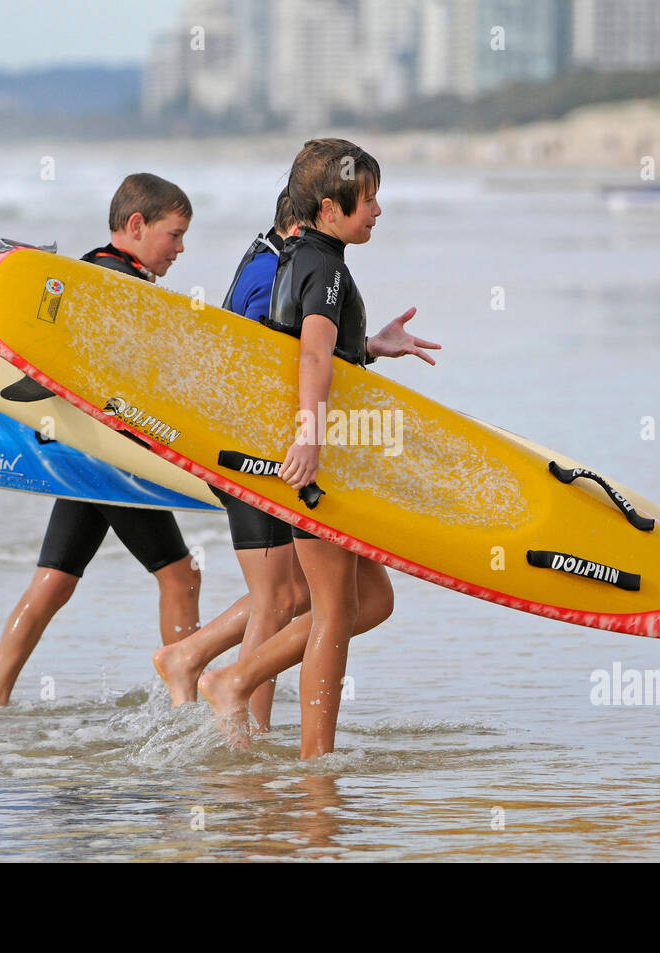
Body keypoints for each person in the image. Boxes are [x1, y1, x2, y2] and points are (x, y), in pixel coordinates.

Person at [199, 138, 440, 758]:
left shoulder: (301, 257)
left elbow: (305, 349)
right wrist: (308, 435)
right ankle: (315, 761)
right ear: (330, 209)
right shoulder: (326, 266)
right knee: (334, 611)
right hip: (317, 459)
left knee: (372, 600)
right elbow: (308, 354)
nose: (379, 211)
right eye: (369, 201)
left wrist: (370, 348)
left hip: (319, 451)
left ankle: (238, 680)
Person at [0, 173, 209, 706]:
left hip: (79, 450)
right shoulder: (114, 283)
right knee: (181, 576)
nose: (180, 248)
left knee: (55, 582)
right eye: (173, 234)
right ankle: (184, 702)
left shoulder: (92, 270)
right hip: (106, 455)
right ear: (136, 224)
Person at [153, 188, 309, 731]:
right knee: (281, 596)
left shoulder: (267, 260)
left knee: (298, 592)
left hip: (246, 447)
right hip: (248, 454)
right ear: (305, 223)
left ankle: (189, 657)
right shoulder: (272, 274)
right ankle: (245, 722)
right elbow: (264, 372)